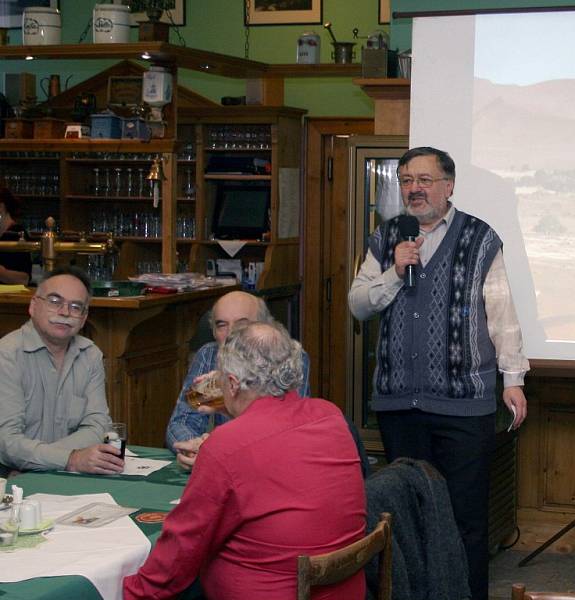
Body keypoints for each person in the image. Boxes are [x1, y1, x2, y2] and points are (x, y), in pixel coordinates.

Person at [348, 146, 529, 600]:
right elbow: (358, 303)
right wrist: (394, 271)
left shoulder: (479, 237)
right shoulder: (387, 237)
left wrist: (513, 381)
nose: (414, 188)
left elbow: (502, 315)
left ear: (448, 186)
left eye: (424, 180)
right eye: (407, 179)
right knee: (408, 516)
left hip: (463, 405)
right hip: (398, 405)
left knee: (465, 516)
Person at [123, 322, 367, 600]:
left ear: (232, 384)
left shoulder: (227, 445)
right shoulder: (330, 415)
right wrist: (222, 396)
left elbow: (181, 551)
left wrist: (130, 593)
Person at [165, 290, 310, 470]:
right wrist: (196, 448)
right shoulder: (210, 355)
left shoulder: (287, 357)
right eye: (221, 325)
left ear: (264, 327)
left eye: (242, 324)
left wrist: (214, 451)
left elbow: (282, 433)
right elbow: (182, 421)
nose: (231, 332)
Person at [0, 266, 122, 475]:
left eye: (76, 307)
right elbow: (6, 443)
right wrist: (70, 459)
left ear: (83, 318)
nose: (65, 312)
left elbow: (98, 426)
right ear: (33, 306)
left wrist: (50, 460)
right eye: (55, 301)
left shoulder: (90, 354)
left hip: (53, 472)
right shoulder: (7, 355)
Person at [0, 186, 32, 285]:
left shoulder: (18, 234)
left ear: (2, 207)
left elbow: (24, 279)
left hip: (9, 298)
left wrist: (2, 273)